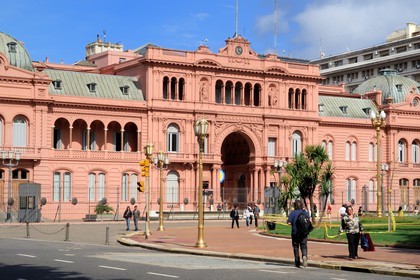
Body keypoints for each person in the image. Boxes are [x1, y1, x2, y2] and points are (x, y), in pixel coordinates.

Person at [287, 200, 311, 268]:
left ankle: (297, 262)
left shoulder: (293, 213)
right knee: (304, 246)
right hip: (303, 233)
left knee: (295, 247)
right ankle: (304, 256)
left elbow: (289, 222)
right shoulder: (305, 212)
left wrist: (291, 223)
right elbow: (309, 220)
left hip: (295, 233)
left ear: (295, 205)